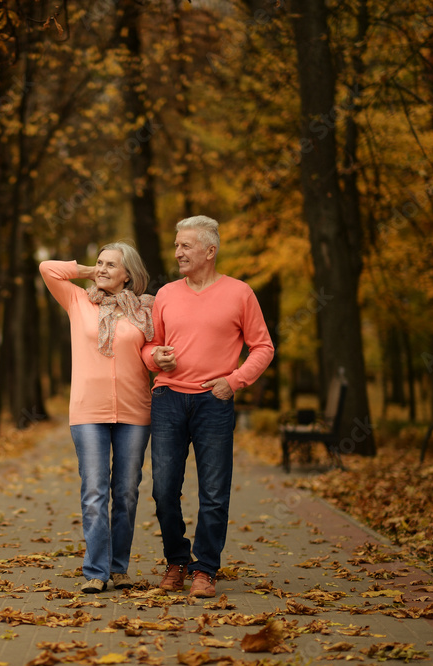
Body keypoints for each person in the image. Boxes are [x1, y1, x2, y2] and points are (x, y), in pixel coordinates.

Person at [141, 215, 274, 598]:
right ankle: (176, 560)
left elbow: (263, 346)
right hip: (168, 399)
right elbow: (150, 346)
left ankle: (206, 569)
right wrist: (156, 359)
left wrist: (234, 382)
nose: (177, 251)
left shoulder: (240, 293)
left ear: (209, 251)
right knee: (164, 489)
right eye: (177, 245)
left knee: (214, 491)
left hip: (213, 402)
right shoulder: (166, 294)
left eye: (185, 245)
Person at [39, 242, 155, 594]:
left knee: (127, 492)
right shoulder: (78, 300)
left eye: (110, 265)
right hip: (88, 410)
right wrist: (90, 272)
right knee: (94, 491)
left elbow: (149, 350)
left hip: (135, 410)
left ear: (128, 275)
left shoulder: (146, 309)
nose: (103, 268)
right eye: (100, 262)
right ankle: (95, 571)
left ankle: (118, 567)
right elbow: (47, 268)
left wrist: (157, 357)